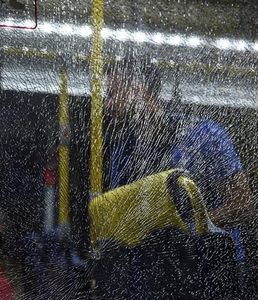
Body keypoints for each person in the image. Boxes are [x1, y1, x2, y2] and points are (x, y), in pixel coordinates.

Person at [103, 54, 258, 285]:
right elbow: (125, 217)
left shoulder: (204, 135)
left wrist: (188, 230)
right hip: (152, 276)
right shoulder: (124, 150)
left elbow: (243, 205)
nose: (107, 104)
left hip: (213, 273)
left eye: (112, 94)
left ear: (139, 89)